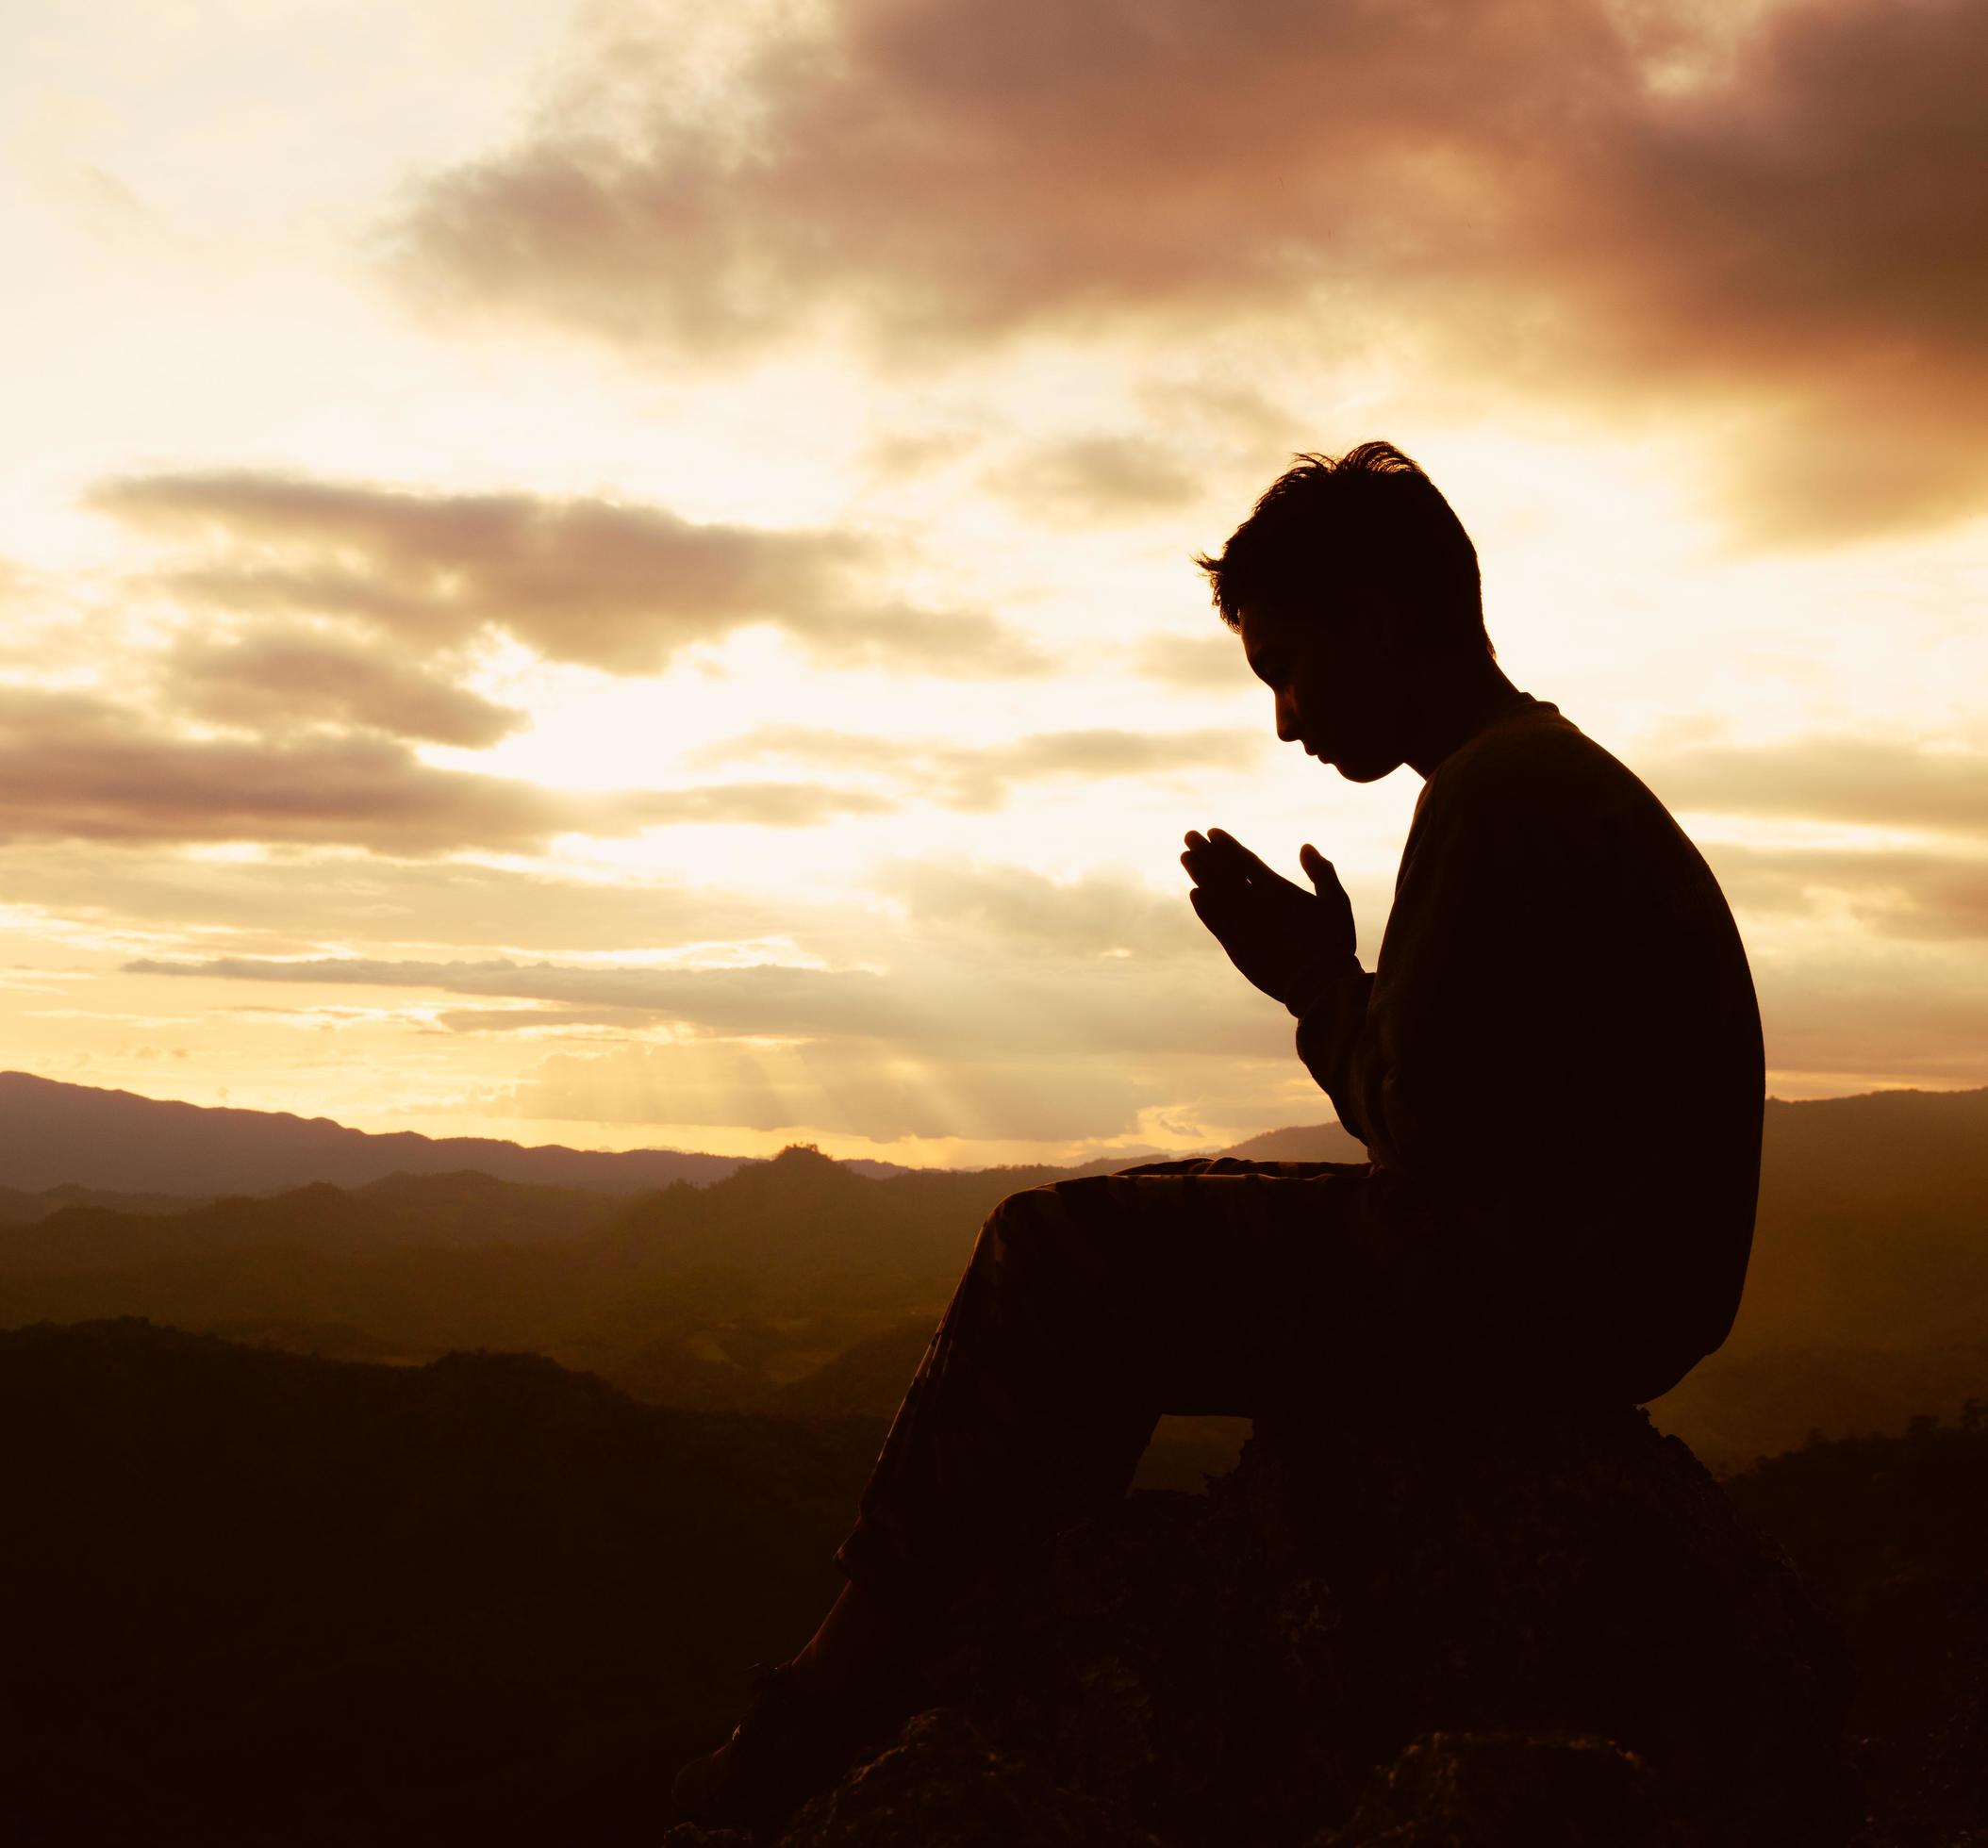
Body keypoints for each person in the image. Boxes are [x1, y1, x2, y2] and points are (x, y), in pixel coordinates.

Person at [671, 441, 1765, 1826]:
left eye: (1289, 668)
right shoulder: (1541, 780)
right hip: (1601, 1292)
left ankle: (850, 1688)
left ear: (1379, 620)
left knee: (1053, 1252)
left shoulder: (1497, 797)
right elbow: (1472, 1108)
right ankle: (988, 1632)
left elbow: (1423, 1130)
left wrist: (1316, 988)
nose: (1286, 719)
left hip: (1542, 1297)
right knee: (1123, 1236)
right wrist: (1341, 991)